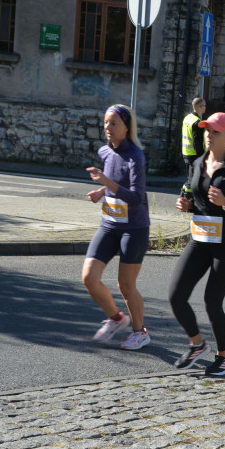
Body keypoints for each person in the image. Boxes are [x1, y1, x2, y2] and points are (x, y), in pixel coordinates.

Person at [169, 112, 225, 375]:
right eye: (207, 130)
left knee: (212, 301)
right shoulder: (197, 163)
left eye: (215, 131)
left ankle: (224, 356)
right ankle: (197, 344)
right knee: (176, 296)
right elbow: (194, 198)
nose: (208, 135)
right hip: (200, 238)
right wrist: (185, 206)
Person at [83, 104, 151, 350]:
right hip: (110, 224)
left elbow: (136, 197)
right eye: (105, 123)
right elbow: (116, 184)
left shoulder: (136, 156)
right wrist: (101, 191)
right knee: (89, 278)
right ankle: (116, 318)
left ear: (126, 127)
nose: (108, 128)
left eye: (113, 124)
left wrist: (105, 182)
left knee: (126, 285)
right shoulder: (105, 151)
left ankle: (140, 332)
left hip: (134, 228)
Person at [180, 97, 206, 193]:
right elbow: (197, 141)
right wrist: (201, 156)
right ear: (200, 107)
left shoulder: (187, 118)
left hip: (186, 152)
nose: (205, 107)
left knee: (190, 178)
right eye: (204, 105)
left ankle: (186, 193)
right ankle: (185, 195)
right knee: (192, 181)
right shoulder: (197, 122)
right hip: (194, 155)